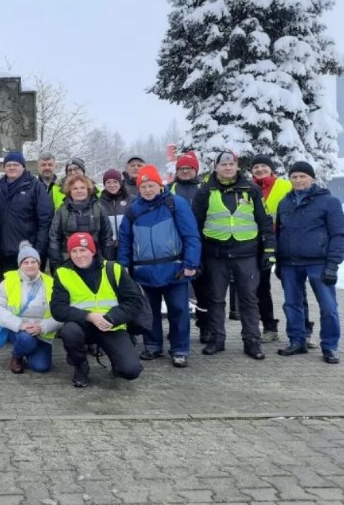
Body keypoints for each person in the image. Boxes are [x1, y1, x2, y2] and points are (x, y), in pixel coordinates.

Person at [192, 150, 274, 360]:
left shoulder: (251, 190)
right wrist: (196, 256)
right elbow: (195, 227)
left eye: (231, 164)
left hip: (246, 254)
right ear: (216, 168)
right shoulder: (204, 192)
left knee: (249, 299)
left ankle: (251, 341)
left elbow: (265, 222)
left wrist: (269, 251)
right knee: (216, 299)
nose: (227, 168)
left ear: (237, 167)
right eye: (223, 165)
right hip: (215, 255)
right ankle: (217, 339)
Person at [117, 165, 201, 367]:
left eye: (151, 185)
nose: (147, 190)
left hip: (175, 269)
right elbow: (125, 241)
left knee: (179, 311)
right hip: (144, 272)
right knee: (149, 312)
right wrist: (123, 268)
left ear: (159, 185)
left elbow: (191, 236)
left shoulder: (175, 204)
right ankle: (153, 345)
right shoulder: (132, 210)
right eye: (143, 186)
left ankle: (180, 349)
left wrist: (191, 262)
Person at [51, 232, 145, 388]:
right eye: (74, 251)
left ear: (93, 251)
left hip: (112, 324)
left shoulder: (114, 269)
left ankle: (118, 364)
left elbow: (134, 301)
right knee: (69, 332)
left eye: (83, 250)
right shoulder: (62, 273)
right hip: (82, 325)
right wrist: (89, 316)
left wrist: (112, 318)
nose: (79, 255)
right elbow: (57, 309)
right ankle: (80, 367)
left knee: (131, 371)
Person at [275, 161, 344, 364]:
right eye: (294, 177)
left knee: (328, 307)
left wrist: (333, 264)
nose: (298, 180)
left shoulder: (328, 202)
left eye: (302, 176)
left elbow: (339, 234)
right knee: (292, 305)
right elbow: (279, 233)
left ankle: (330, 346)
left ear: (311, 178)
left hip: (319, 263)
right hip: (290, 263)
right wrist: (279, 262)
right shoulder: (284, 203)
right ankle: (297, 341)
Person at [0, 242, 60, 373]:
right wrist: (20, 325)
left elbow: (61, 313)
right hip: (18, 330)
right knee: (26, 339)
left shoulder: (51, 283)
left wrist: (42, 327)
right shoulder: (8, 282)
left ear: (39, 264)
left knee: (41, 367)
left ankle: (29, 349)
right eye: (25, 262)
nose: (30, 265)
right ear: (19, 265)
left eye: (33, 262)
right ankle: (17, 356)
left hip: (41, 332)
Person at [250, 154, 292, 343]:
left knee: (293, 286)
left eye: (263, 166)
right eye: (256, 167)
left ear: (271, 168)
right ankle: (269, 327)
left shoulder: (285, 186)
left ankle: (303, 329)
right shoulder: (248, 188)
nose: (259, 169)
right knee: (261, 287)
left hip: (284, 241)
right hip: (259, 243)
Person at [171, 151, 212, 344]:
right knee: (176, 291)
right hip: (176, 247)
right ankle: (176, 329)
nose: (185, 171)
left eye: (189, 168)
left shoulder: (205, 189)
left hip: (202, 246)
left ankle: (205, 327)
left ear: (196, 170)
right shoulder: (169, 189)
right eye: (182, 168)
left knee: (203, 291)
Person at [0, 151, 53, 274]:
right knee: (10, 290)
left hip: (29, 252)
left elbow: (45, 220)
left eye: (16, 164)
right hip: (5, 253)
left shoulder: (35, 186)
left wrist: (38, 250)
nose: (12, 167)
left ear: (23, 167)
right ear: (4, 168)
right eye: (8, 165)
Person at [48, 174, 112, 272]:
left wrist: (107, 260)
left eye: (82, 187)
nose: (79, 191)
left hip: (95, 259)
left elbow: (107, 236)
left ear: (88, 190)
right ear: (69, 191)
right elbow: (54, 238)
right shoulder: (62, 211)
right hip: (69, 259)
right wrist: (56, 264)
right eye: (75, 188)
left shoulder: (99, 209)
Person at [98, 168, 134, 261]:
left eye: (115, 182)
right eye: (108, 182)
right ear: (104, 184)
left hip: (128, 246)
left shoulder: (131, 200)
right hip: (108, 249)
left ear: (120, 183)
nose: (112, 185)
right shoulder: (99, 203)